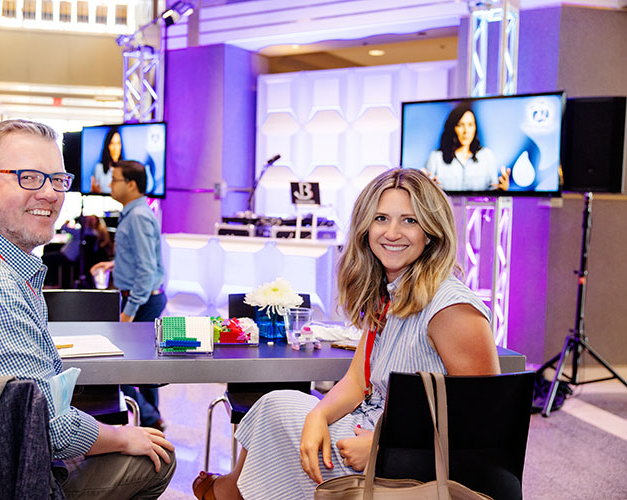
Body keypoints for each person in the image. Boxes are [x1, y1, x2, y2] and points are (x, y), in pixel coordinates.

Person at [0, 119, 175, 499]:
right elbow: (49, 430)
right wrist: (122, 436)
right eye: (28, 178)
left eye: (57, 180)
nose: (49, 194)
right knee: (157, 457)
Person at [192, 168, 501, 500]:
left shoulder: (451, 308)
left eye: (409, 221)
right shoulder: (390, 293)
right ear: (366, 227)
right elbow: (357, 380)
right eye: (381, 218)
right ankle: (231, 492)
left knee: (276, 417)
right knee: (275, 404)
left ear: (431, 232)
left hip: (412, 457)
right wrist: (318, 415)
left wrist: (383, 446)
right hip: (377, 428)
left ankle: (227, 492)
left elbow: (483, 418)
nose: (392, 232)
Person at [91, 160, 167, 430]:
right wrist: (114, 264)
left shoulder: (137, 216)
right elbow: (141, 259)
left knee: (120, 366)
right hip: (142, 296)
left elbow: (146, 271)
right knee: (145, 369)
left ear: (131, 184)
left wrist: (129, 312)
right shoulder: (133, 212)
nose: (109, 185)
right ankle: (152, 419)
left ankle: (148, 417)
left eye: (114, 180)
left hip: (142, 300)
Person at [425, 102, 510, 191]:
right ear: (452, 127)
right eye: (461, 125)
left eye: (470, 125)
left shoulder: (486, 155)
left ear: (475, 128)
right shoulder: (436, 158)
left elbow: (492, 191)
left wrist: (502, 190)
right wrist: (428, 190)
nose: (466, 131)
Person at [90, 126, 123, 194]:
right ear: (107, 146)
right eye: (112, 143)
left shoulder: (125, 169)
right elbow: (94, 190)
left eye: (118, 143)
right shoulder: (99, 168)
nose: (115, 148)